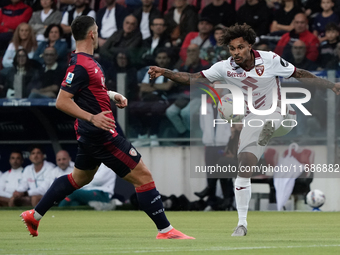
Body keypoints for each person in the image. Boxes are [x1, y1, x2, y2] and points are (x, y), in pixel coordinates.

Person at [148, 23, 340, 236]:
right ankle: (241, 224)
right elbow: (193, 78)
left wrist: (331, 85)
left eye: (240, 47)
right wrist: (165, 71)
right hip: (253, 122)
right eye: (232, 48)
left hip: (282, 115)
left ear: (249, 45)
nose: (236, 52)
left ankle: (269, 125)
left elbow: (300, 73)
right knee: (244, 166)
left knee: (273, 116)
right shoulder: (224, 67)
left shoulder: (270, 59)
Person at [20, 16, 194, 240]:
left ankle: (34, 215)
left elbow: (90, 92)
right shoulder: (80, 64)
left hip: (91, 134)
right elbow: (62, 101)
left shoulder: (90, 63)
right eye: (97, 30)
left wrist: (112, 95)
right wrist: (92, 118)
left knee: (79, 179)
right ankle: (166, 231)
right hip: (101, 134)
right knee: (143, 176)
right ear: (92, 34)